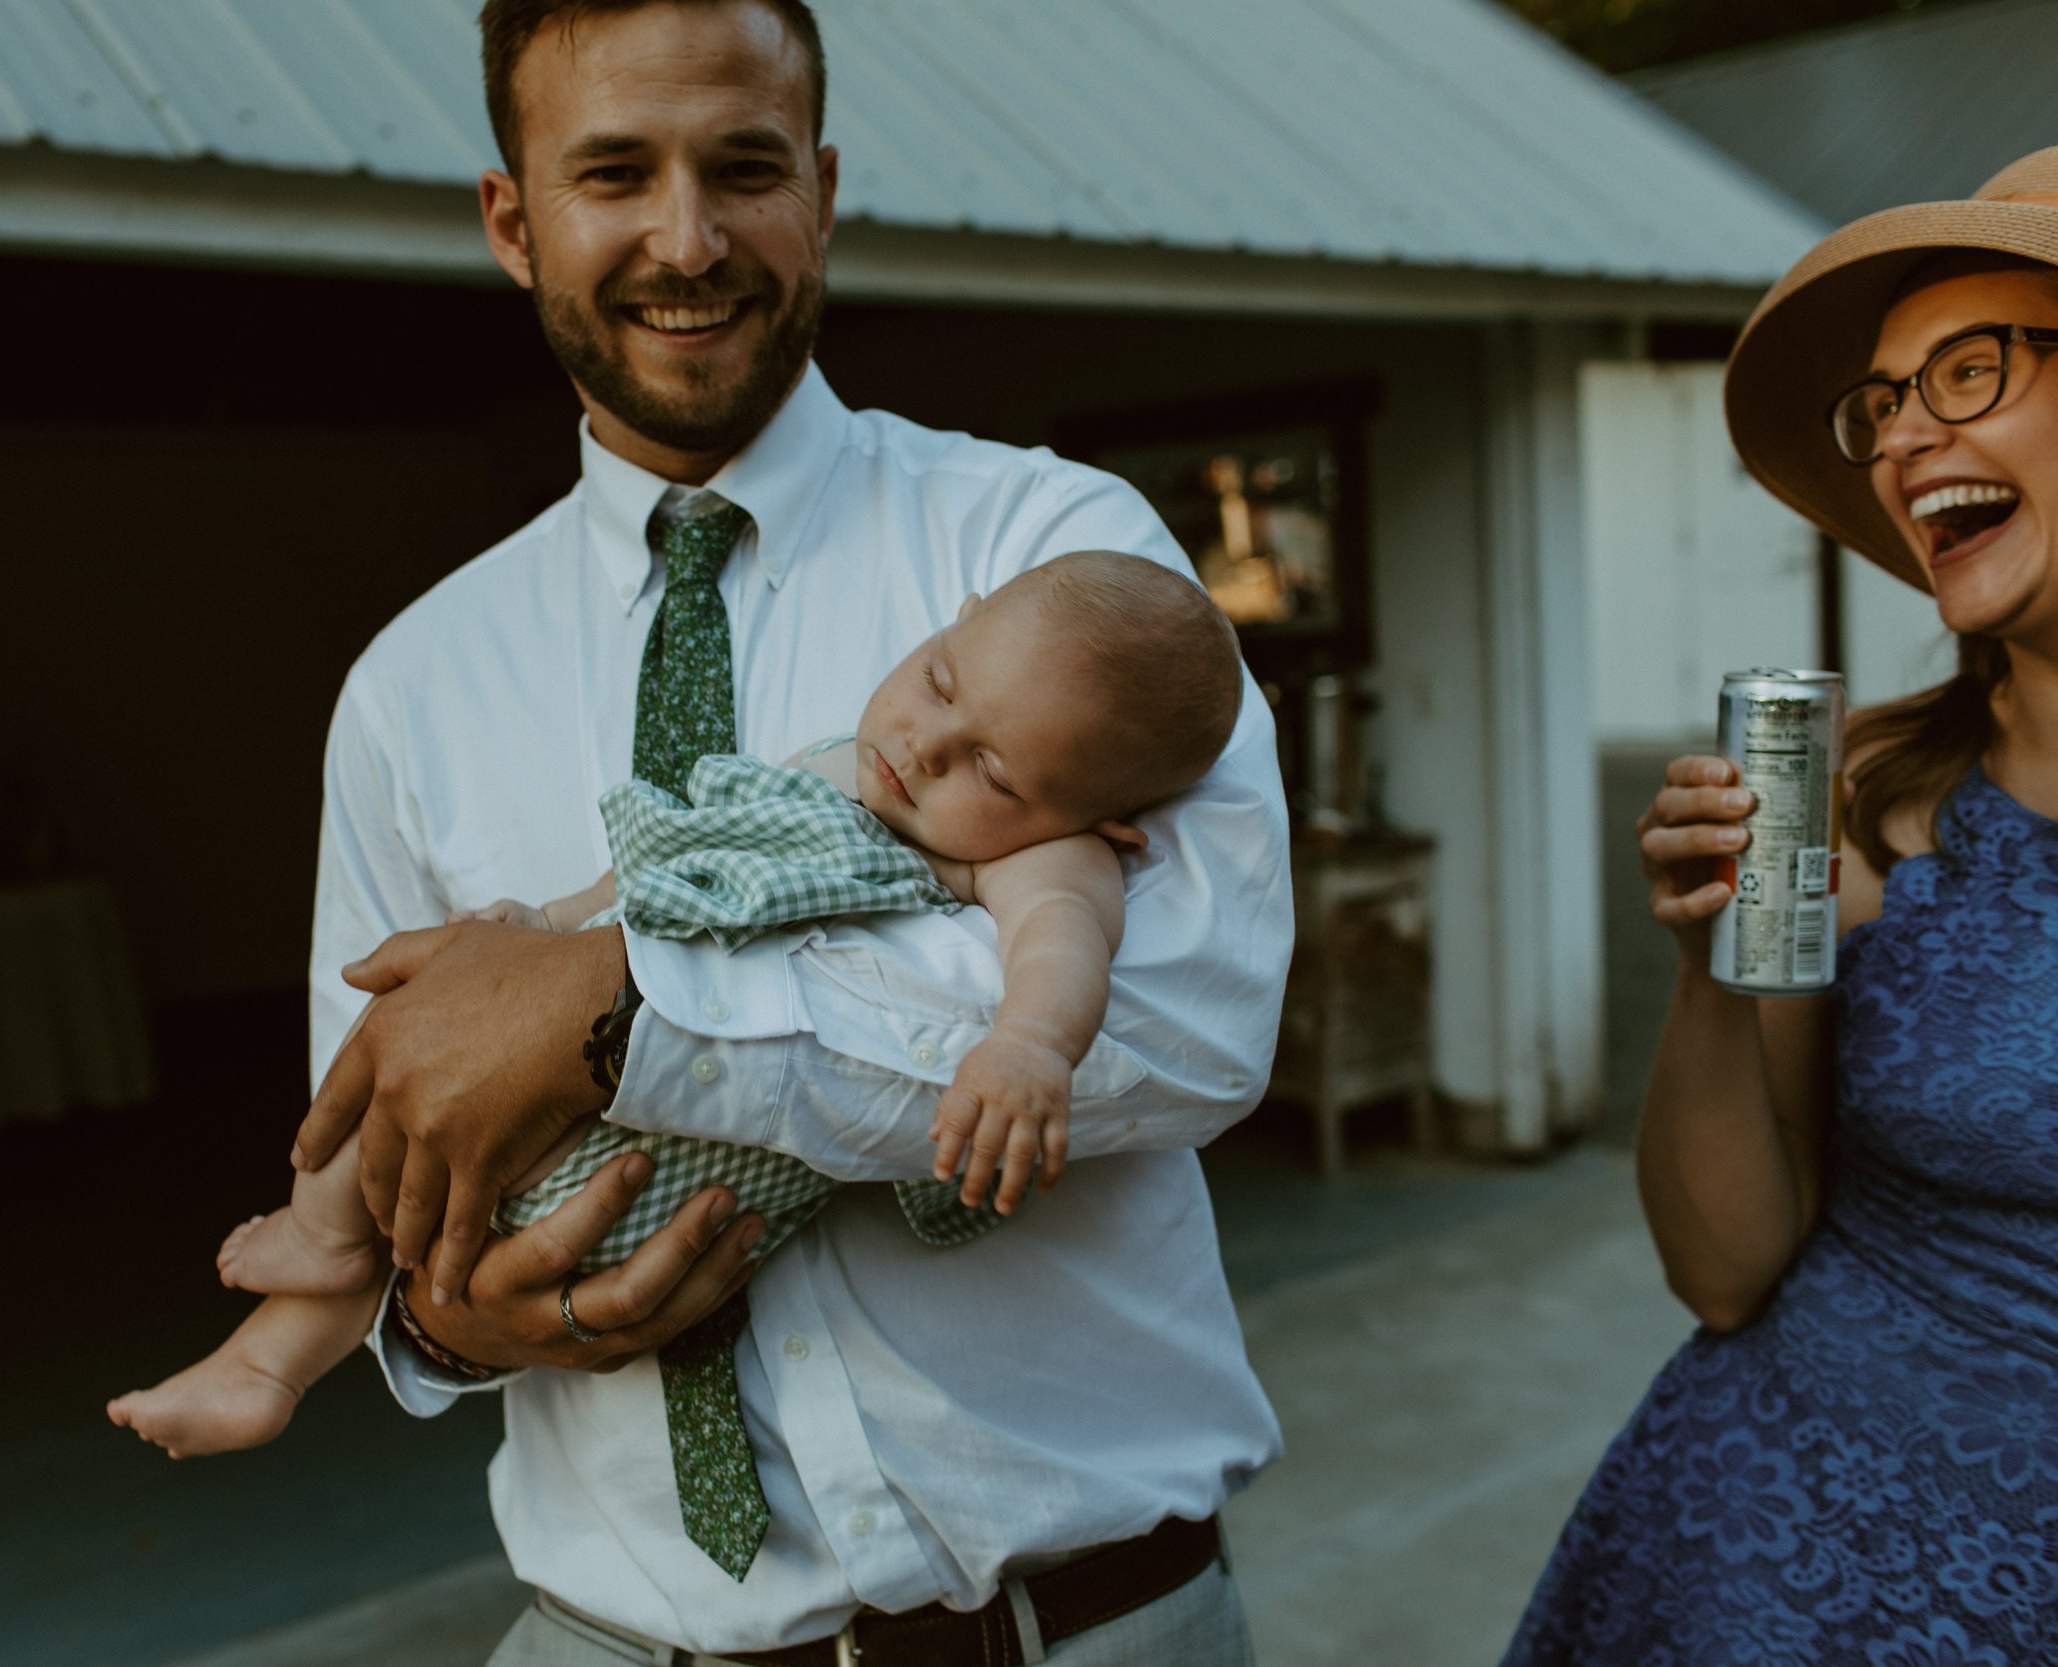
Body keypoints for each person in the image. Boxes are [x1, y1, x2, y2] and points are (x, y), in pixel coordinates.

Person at [272, 0, 1293, 1660]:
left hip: (1081, 1630)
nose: (688, 238)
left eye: (743, 167)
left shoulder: (1053, 551)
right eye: (615, 173)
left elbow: (1191, 1020)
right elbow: (383, 1132)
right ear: (512, 218)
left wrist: (626, 1012)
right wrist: (455, 1320)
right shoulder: (412, 690)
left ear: (818, 191)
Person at [105, 550, 1244, 1463]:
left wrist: (1028, 1045)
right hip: (540, 1145)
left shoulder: (1044, 857)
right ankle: (269, 1358)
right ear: (963, 610)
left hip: (681, 1181)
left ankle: (312, 1262)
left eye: (994, 772)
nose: (923, 748)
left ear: (1109, 824)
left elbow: (1062, 940)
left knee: (456, 1185)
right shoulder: (828, 763)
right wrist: (531, 935)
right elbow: (651, 884)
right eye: (940, 679)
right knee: (401, 1084)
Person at [1507, 150, 2058, 1665]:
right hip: (1776, 1565)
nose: (1903, 436)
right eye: (1883, 402)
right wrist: (1707, 971)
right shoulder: (1865, 790)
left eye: (1969, 367)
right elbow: (1726, 1266)